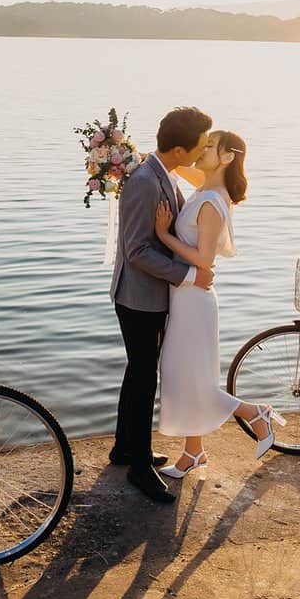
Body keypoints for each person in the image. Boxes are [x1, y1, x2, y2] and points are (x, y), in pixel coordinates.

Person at [153, 130, 283, 479]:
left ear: (227, 157)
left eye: (209, 146)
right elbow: (177, 168)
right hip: (185, 298)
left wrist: (165, 236)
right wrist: (136, 158)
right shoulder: (208, 187)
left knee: (192, 379)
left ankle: (255, 413)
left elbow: (204, 260)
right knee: (184, 375)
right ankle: (193, 453)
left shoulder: (211, 202)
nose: (202, 149)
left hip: (194, 301)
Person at [109, 106, 214, 503]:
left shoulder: (163, 172)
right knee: (143, 377)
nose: (203, 149)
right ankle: (139, 467)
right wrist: (188, 275)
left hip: (151, 295)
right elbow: (135, 250)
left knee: (139, 373)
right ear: (180, 148)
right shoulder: (144, 182)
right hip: (138, 297)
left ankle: (124, 448)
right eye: (201, 144)